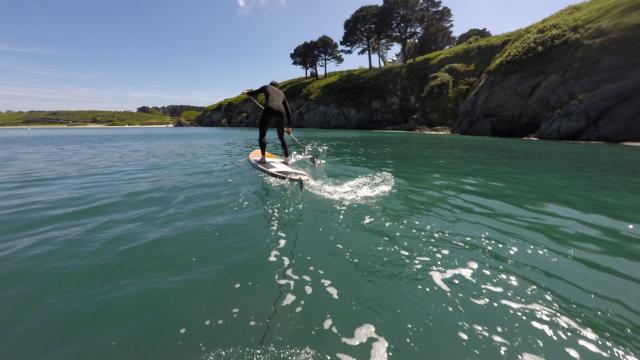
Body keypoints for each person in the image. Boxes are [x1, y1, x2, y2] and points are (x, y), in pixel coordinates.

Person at [244, 81, 293, 164]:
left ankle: (263, 158)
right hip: (281, 111)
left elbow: (253, 93)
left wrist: (247, 93)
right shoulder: (282, 93)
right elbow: (288, 112)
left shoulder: (266, 87)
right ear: (277, 87)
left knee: (262, 134)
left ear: (271, 85)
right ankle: (286, 158)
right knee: (281, 137)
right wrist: (289, 127)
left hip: (269, 109)